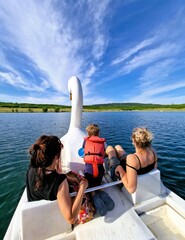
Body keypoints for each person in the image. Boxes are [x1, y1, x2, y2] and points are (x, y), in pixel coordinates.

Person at [26, 135, 88, 224]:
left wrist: (66, 177)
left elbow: (47, 180)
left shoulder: (32, 168)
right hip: (51, 222)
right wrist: (82, 187)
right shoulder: (59, 181)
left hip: (33, 219)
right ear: (56, 156)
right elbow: (71, 219)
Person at [106, 127, 158, 193]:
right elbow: (154, 170)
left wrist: (120, 169)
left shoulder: (132, 158)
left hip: (122, 179)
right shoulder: (153, 152)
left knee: (110, 149)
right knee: (118, 147)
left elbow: (131, 190)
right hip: (132, 164)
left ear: (134, 141)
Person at [82, 124, 114, 216]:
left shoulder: (85, 141)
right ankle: (102, 192)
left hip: (89, 171)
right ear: (98, 133)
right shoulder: (102, 142)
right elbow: (103, 154)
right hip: (100, 170)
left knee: (91, 186)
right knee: (99, 183)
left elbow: (83, 151)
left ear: (88, 134)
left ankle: (94, 196)